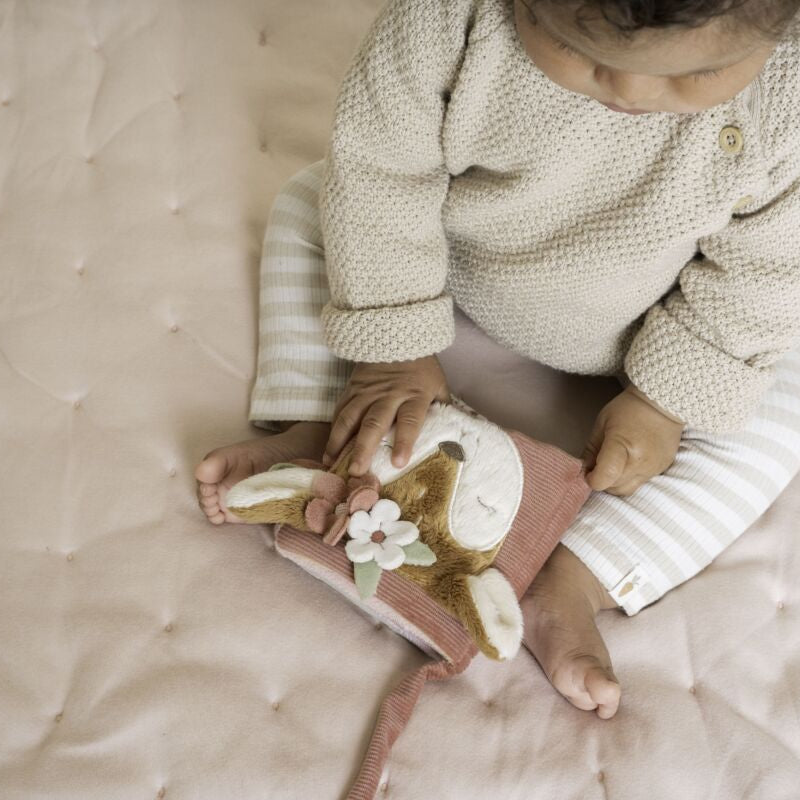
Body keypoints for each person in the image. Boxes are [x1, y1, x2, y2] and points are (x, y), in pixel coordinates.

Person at [196, 0, 800, 719]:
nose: (632, 92)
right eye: (582, 50)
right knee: (309, 201)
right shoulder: (444, 23)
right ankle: (328, 433)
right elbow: (383, 174)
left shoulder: (788, 94)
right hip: (457, 258)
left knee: (775, 399)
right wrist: (395, 347)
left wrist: (664, 400)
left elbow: (765, 270)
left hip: (656, 318)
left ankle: (574, 580)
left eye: (701, 71)